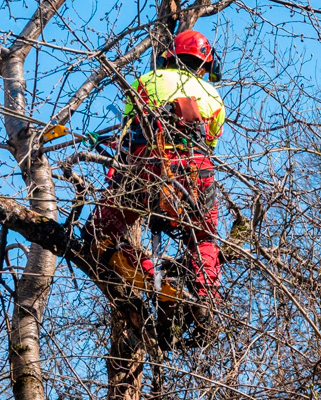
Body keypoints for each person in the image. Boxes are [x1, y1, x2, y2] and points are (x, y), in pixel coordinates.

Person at [82, 30, 226, 349]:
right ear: (204, 64)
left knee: (99, 231)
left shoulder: (147, 81)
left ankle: (152, 276)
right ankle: (202, 299)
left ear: (171, 56)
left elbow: (130, 133)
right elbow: (208, 144)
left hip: (147, 166)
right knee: (202, 237)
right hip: (195, 171)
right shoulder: (215, 98)